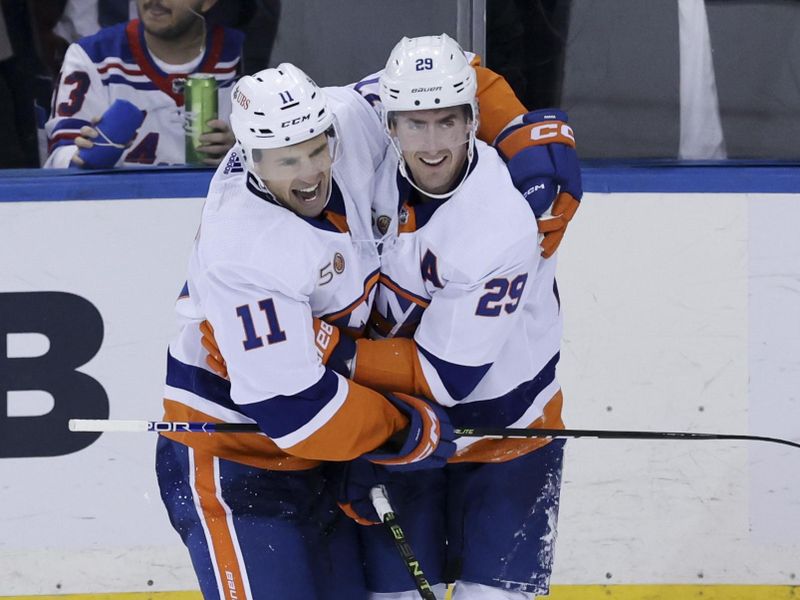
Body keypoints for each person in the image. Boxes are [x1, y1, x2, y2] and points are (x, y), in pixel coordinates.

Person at [156, 63, 457, 600]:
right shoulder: (243, 250)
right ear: (250, 159)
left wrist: (527, 140)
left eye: (317, 150)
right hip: (236, 460)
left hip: (319, 455)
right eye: (287, 160)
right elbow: (299, 411)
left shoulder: (349, 117)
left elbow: (445, 77)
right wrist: (399, 429)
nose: (310, 173)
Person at [333, 35, 582, 599]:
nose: (433, 143)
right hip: (402, 428)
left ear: (471, 120)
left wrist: (329, 354)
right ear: (388, 122)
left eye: (449, 122)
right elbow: (458, 63)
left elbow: (446, 375)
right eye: (415, 124)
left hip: (509, 431)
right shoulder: (358, 133)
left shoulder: (501, 219)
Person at [44, 0, 242, 169]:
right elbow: (59, 159)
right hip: (116, 210)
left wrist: (244, 153)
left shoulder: (247, 58)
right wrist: (86, 156)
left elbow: (270, 166)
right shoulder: (92, 56)